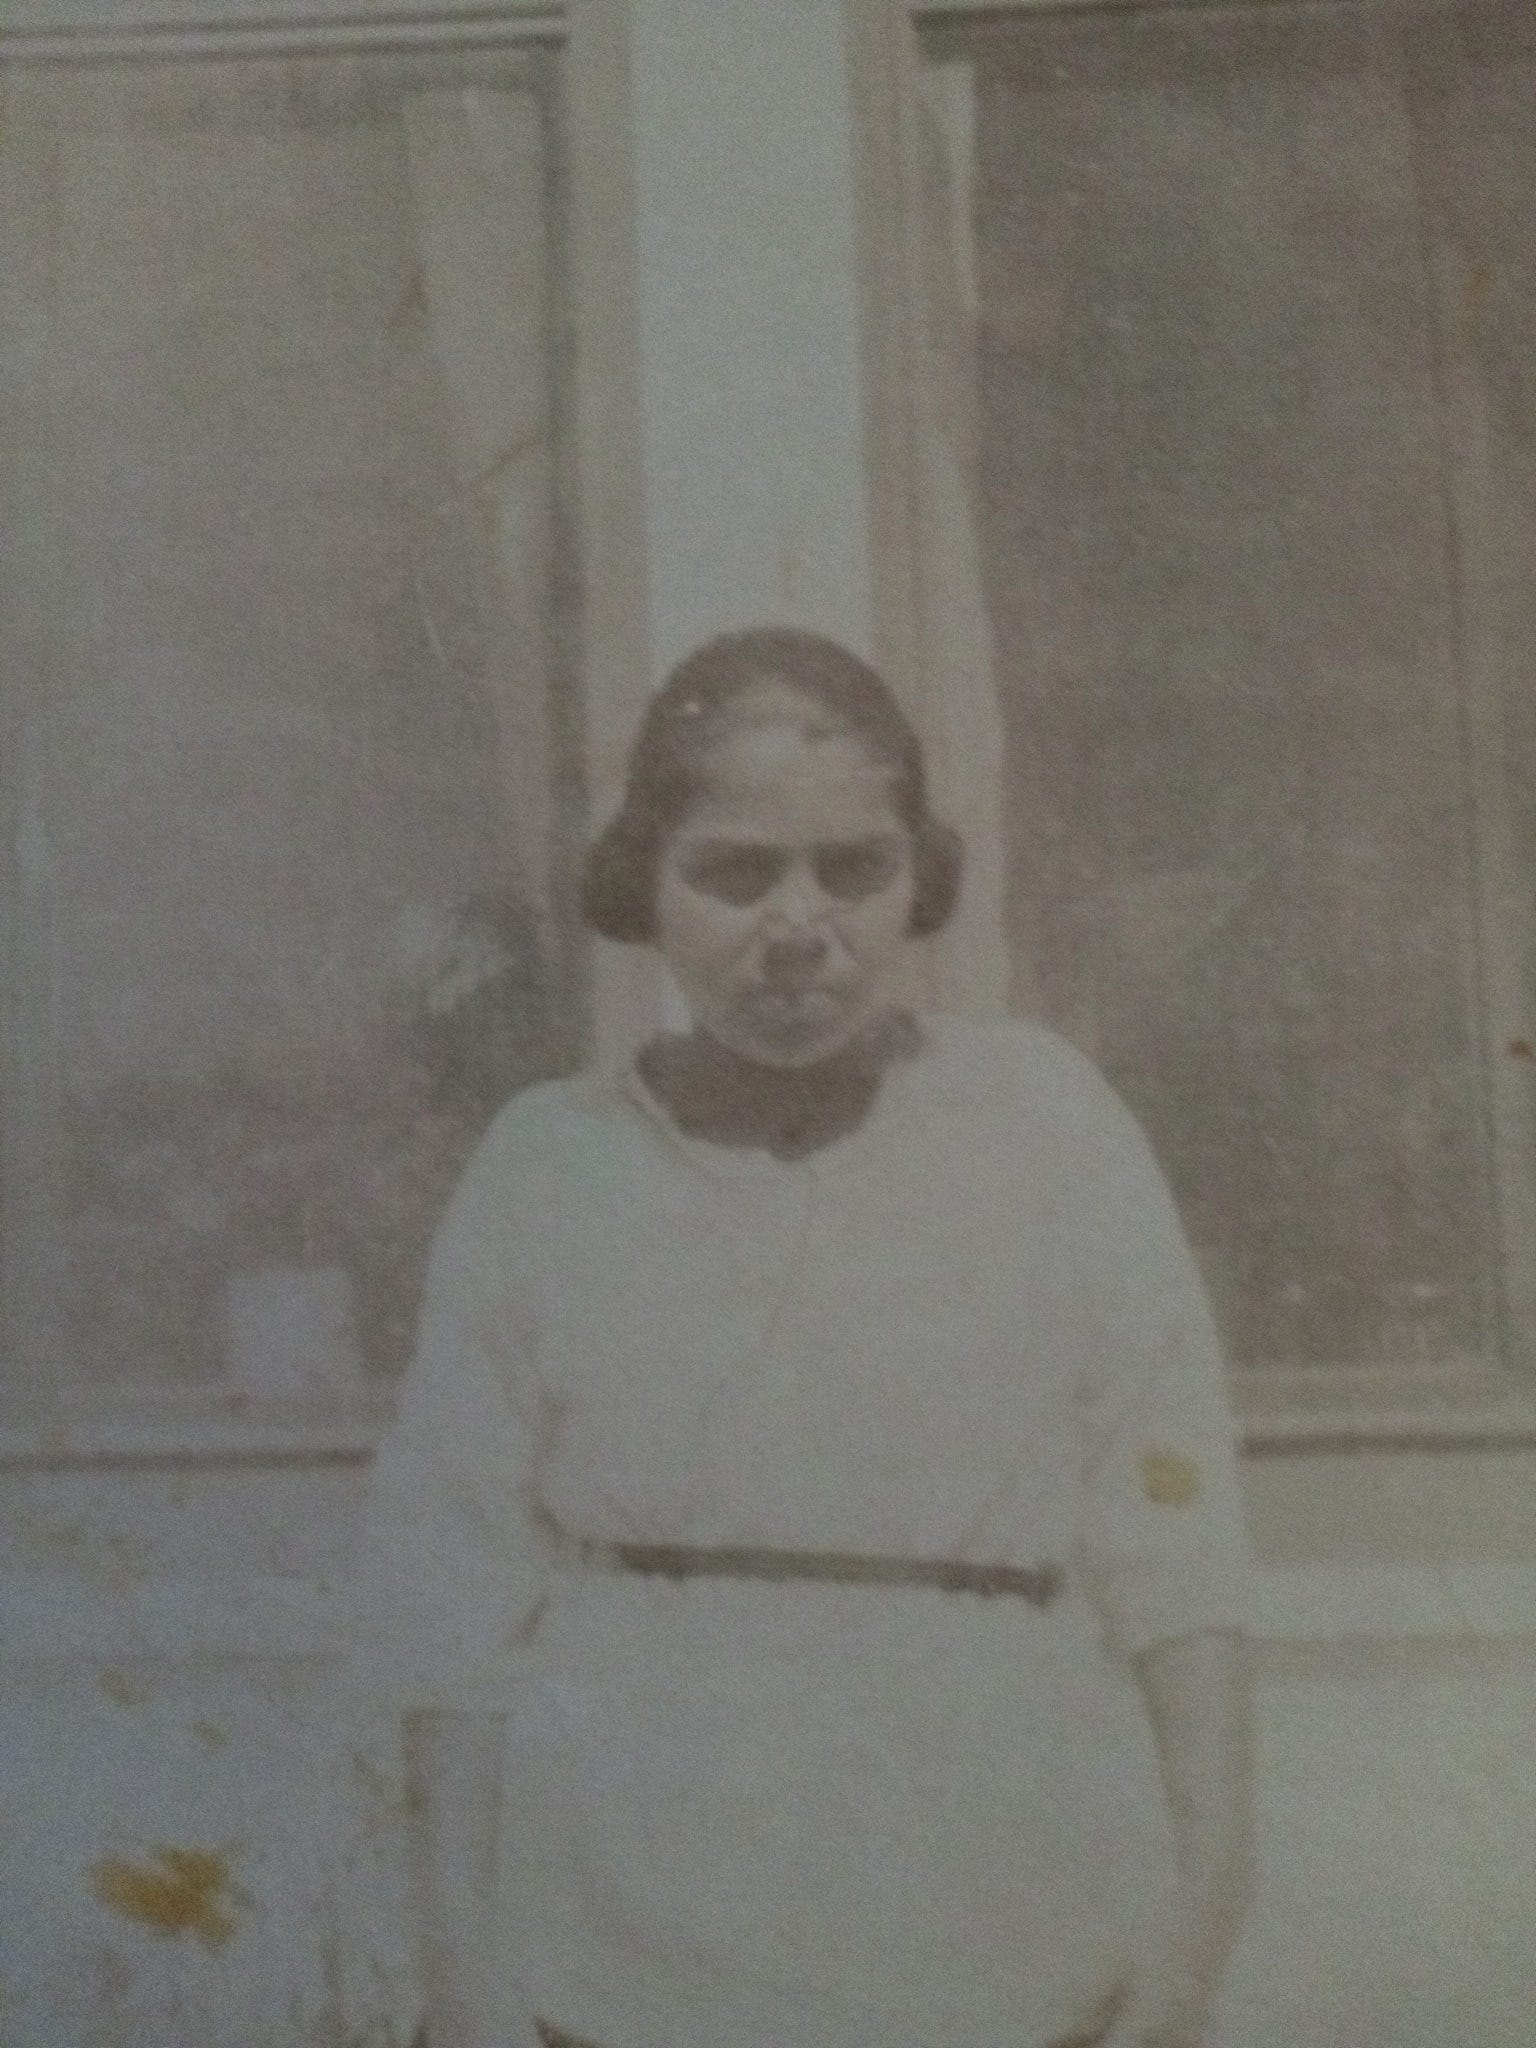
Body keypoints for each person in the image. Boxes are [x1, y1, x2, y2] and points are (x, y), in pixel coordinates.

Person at [354, 627, 1256, 2048]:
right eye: (733, 872)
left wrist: (1203, 1918)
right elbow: (448, 1586)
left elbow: (1177, 1538)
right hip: (629, 1938)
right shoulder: (549, 1162)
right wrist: (465, 1974)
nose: (798, 923)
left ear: (920, 880)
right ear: (645, 883)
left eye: (854, 867)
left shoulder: (1047, 1121)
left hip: (1006, 1914)